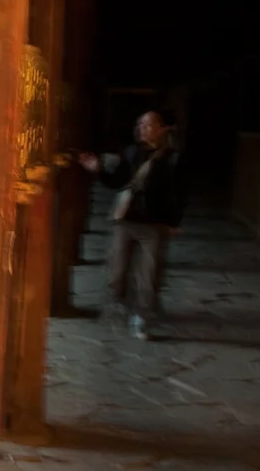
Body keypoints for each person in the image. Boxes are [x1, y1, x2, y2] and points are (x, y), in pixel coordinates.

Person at [79, 110, 188, 340]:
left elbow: (180, 192)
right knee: (117, 271)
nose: (142, 129)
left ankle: (142, 317)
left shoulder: (173, 158)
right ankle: (121, 306)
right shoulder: (131, 152)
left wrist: (174, 221)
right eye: (140, 125)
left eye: (148, 125)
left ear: (162, 129)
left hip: (154, 224)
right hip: (126, 219)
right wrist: (98, 170)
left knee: (149, 274)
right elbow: (118, 180)